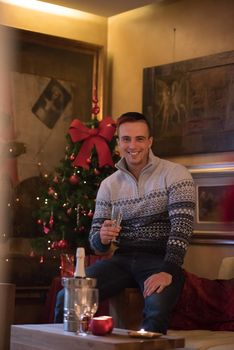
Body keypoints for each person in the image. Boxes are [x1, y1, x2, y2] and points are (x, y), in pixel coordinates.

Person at [55, 112, 195, 334]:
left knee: (156, 307)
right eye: (126, 139)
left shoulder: (176, 174)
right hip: (121, 260)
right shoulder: (109, 184)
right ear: (118, 143)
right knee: (68, 296)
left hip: (160, 259)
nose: (133, 145)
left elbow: (182, 228)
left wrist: (168, 270)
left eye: (140, 139)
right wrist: (101, 237)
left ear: (150, 141)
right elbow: (96, 243)